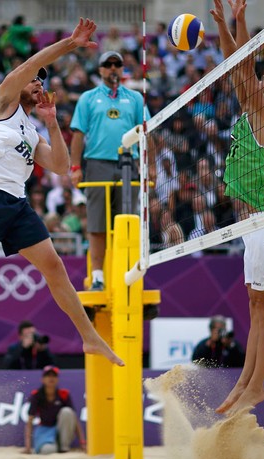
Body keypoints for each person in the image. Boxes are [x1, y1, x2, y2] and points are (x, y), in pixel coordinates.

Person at [0, 18, 124, 390]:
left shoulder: (30, 127)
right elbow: (29, 65)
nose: (38, 82)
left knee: (55, 266)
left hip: (16, 203)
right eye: (34, 79)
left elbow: (59, 165)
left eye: (42, 80)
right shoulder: (0, 102)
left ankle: (88, 336)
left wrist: (52, 122)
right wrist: (71, 43)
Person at [210, 0, 264, 415]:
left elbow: (243, 67)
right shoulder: (249, 113)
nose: (250, 87)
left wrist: (240, 21)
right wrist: (225, 26)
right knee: (254, 302)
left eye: (258, 87)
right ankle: (245, 380)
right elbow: (236, 68)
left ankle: (257, 385)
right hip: (254, 224)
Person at [69, 50, 149, 290]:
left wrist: (149, 167)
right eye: (108, 64)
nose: (113, 68)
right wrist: (75, 167)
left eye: (117, 64)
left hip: (128, 165)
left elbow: (146, 131)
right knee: (96, 223)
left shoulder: (135, 98)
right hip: (96, 164)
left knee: (127, 222)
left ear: (122, 69)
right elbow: (78, 135)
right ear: (100, 69)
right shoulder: (88, 98)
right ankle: (98, 276)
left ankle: (125, 271)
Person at [24, 366, 86, 455]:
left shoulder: (64, 394)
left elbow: (74, 420)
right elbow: (30, 421)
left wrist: (82, 442)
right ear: (43, 379)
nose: (51, 378)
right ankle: (54, 446)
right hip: (45, 430)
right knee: (47, 451)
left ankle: (64, 448)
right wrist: (28, 447)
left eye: (54, 376)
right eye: (48, 375)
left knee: (67, 411)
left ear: (57, 379)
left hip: (61, 430)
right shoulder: (36, 395)